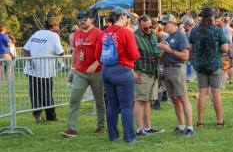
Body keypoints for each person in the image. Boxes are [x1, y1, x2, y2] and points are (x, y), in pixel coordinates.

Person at [96, 8, 140, 142]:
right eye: (127, 17)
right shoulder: (126, 33)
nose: (128, 19)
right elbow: (134, 55)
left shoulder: (103, 33)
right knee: (126, 106)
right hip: (122, 70)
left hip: (106, 71)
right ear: (121, 16)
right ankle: (129, 137)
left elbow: (98, 56)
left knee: (112, 105)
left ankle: (113, 136)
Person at [61, 11, 106, 137]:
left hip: (97, 72)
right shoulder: (76, 34)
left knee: (99, 101)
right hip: (80, 72)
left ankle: (101, 126)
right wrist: (72, 69)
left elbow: (105, 51)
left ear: (91, 19)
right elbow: (75, 51)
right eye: (79, 18)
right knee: (74, 99)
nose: (82, 20)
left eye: (85, 18)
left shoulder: (99, 33)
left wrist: (96, 63)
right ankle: (71, 129)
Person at [189, 8, 228, 127]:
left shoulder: (195, 31)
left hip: (200, 65)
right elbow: (225, 49)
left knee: (202, 92)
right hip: (215, 65)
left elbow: (190, 48)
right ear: (212, 17)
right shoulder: (217, 30)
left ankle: (200, 122)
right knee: (216, 93)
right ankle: (220, 122)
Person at [158, 14, 194, 137]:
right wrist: (161, 52)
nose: (163, 26)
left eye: (165, 23)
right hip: (168, 70)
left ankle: (190, 128)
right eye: (162, 23)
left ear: (173, 24)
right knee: (174, 99)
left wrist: (169, 51)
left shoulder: (180, 35)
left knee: (183, 98)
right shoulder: (168, 38)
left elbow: (185, 56)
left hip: (177, 69)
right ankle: (181, 126)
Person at [23, 16, 65, 123]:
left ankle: (37, 116)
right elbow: (60, 52)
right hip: (44, 71)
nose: (58, 27)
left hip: (31, 70)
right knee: (46, 94)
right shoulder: (54, 35)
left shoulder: (37, 33)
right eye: (58, 25)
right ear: (53, 26)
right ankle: (51, 116)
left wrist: (31, 61)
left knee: (35, 93)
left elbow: (25, 49)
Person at [133, 15, 163, 136]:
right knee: (140, 100)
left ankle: (148, 127)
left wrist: (160, 52)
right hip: (142, 71)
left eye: (151, 26)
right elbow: (131, 55)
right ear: (140, 25)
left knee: (148, 101)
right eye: (146, 28)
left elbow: (156, 49)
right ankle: (140, 129)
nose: (149, 29)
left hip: (153, 71)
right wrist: (134, 71)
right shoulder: (134, 36)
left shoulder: (154, 34)